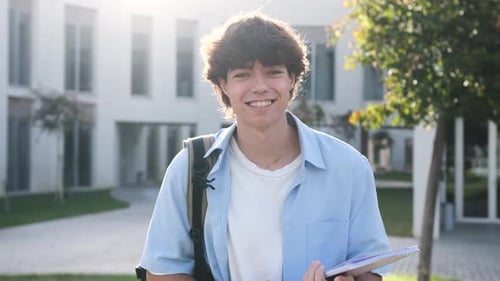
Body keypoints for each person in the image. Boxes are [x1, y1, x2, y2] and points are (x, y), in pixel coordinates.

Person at [138, 11, 391, 281]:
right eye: (243, 75)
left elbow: (370, 270)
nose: (259, 87)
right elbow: (163, 273)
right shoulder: (189, 168)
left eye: (273, 72)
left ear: (292, 78)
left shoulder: (349, 168)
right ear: (223, 84)